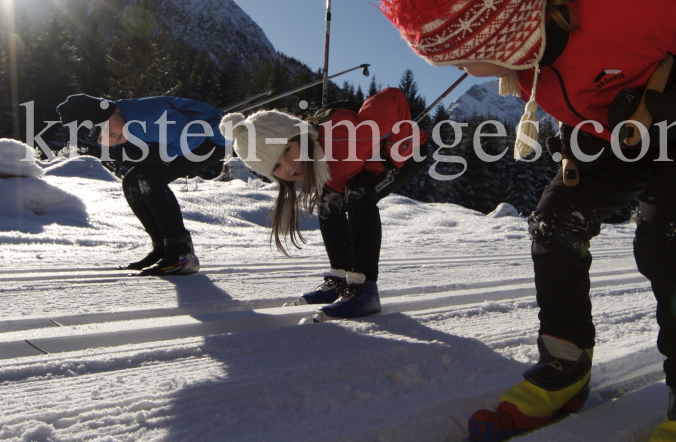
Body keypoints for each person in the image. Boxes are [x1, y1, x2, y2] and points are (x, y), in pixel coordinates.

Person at [377, 0, 676, 442]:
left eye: (459, 56)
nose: (461, 69)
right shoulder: (526, 57)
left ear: (496, 31)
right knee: (555, 221)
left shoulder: (636, 9)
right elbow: (581, 89)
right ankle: (565, 366)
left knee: (664, 236)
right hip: (614, 135)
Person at [219, 88, 427, 319]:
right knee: (328, 199)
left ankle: (364, 289)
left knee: (359, 193)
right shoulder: (316, 162)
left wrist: (397, 151)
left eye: (287, 150)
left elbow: (393, 97)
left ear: (298, 135)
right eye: (276, 167)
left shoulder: (346, 138)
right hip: (363, 162)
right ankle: (339, 280)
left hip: (410, 151)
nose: (289, 166)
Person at [56, 93, 226, 276]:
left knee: (150, 177)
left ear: (114, 109)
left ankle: (181, 253)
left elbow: (193, 137)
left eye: (106, 128)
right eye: (99, 138)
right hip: (186, 140)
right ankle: (163, 248)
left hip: (211, 140)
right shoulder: (123, 122)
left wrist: (154, 155)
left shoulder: (149, 119)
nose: (110, 138)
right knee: (132, 183)